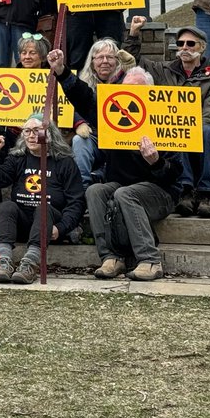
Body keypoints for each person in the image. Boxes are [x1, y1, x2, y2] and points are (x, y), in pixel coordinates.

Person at [63, 63, 181, 281]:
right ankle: (111, 257)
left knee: (126, 193)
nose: (130, 95)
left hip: (160, 192)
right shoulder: (113, 114)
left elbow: (174, 175)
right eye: (126, 89)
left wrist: (156, 162)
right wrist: (62, 72)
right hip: (121, 186)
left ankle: (150, 260)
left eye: (136, 90)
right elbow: (85, 100)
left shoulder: (165, 117)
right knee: (95, 191)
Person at [124, 19, 210, 218]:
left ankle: (207, 192)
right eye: (180, 43)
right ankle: (185, 190)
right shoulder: (164, 70)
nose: (184, 48)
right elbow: (133, 60)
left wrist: (186, 122)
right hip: (172, 133)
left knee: (206, 129)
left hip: (201, 130)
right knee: (174, 127)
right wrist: (134, 34)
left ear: (202, 47)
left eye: (190, 44)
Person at [0, 113, 85, 285]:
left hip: (50, 226)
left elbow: (76, 202)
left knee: (43, 207)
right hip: (23, 223)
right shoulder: (18, 158)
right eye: (27, 131)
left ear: (50, 134)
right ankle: (5, 262)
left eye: (36, 130)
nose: (31, 136)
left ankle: (30, 264)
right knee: (7, 206)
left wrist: (61, 228)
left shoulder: (64, 163)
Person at [50, 38, 128, 186]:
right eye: (99, 57)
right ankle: (82, 186)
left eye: (110, 57)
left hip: (121, 139)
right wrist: (79, 123)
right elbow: (78, 100)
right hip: (95, 136)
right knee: (79, 141)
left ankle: (101, 175)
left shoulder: (127, 80)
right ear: (92, 62)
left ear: (117, 61)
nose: (105, 61)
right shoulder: (83, 81)